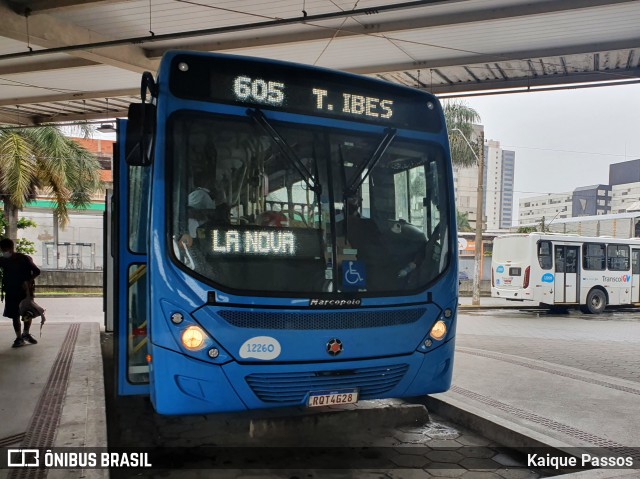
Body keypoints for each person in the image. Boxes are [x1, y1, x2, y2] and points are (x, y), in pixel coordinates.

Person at [0, 238, 41, 348]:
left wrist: (28, 281)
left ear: (11, 248)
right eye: (2, 250)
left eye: (6, 249)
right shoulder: (3, 260)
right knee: (15, 315)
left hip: (25, 291)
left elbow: (37, 271)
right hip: (11, 291)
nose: (4, 252)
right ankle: (19, 338)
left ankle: (26, 334)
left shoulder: (24, 259)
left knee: (27, 313)